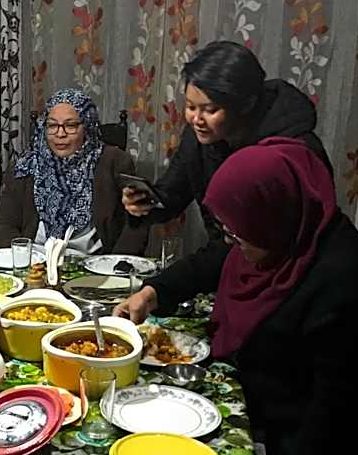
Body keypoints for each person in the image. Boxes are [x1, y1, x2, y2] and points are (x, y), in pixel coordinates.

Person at [116, 138, 358, 455]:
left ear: (272, 214)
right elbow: (214, 258)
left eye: (239, 234)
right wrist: (152, 292)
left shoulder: (347, 277)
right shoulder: (282, 232)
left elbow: (343, 397)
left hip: (302, 448)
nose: (233, 244)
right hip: (255, 403)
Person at [122, 41, 330, 315]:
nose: (196, 119)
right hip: (228, 266)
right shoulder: (202, 137)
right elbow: (172, 194)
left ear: (244, 105)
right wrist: (145, 202)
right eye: (190, 107)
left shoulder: (287, 155)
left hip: (290, 286)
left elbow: (242, 246)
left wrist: (161, 288)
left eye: (209, 110)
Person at [0, 88, 147, 254]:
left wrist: (116, 267)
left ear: (87, 126)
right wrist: (23, 259)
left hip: (93, 267)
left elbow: (136, 224)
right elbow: (3, 224)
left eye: (70, 126)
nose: (60, 133)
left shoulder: (115, 162)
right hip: (35, 262)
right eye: (52, 125)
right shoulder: (25, 166)